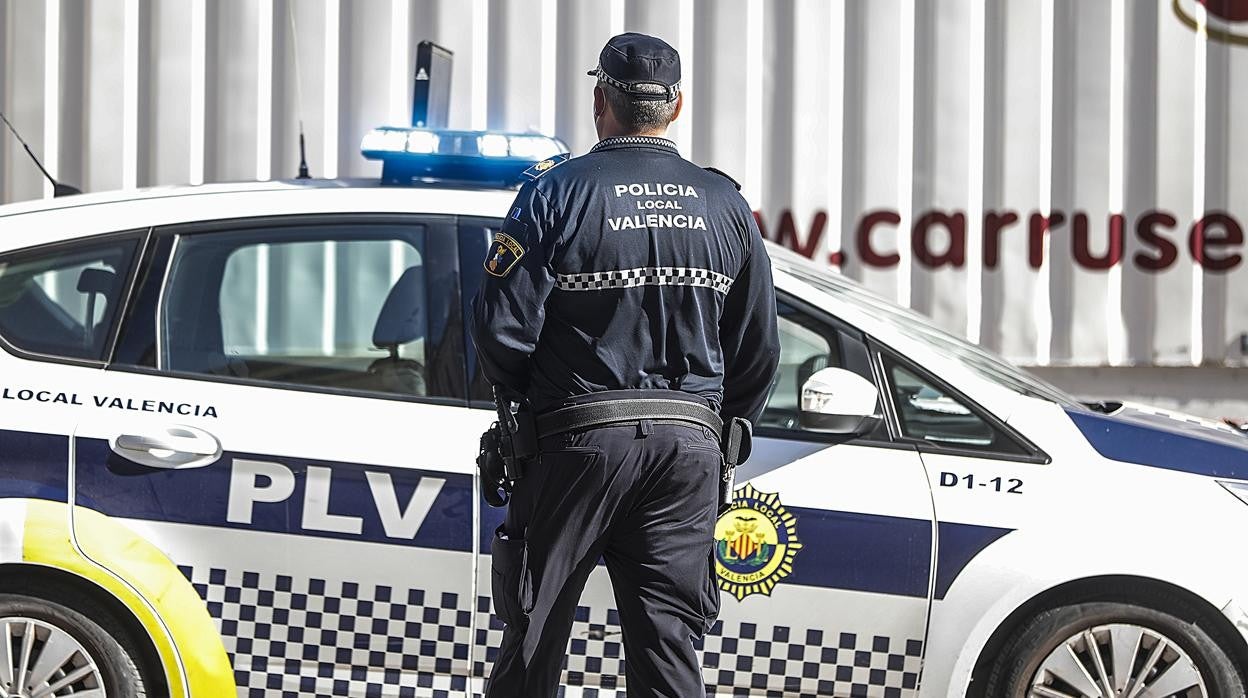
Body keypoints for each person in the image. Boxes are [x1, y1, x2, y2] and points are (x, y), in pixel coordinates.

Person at [471, 32, 780, 697]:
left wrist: (534, 411)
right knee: (670, 652)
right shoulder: (726, 206)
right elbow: (758, 350)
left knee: (536, 635)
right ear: (676, 106)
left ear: (599, 101)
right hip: (688, 455)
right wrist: (718, 428)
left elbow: (502, 331)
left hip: (573, 446)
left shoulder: (555, 194)